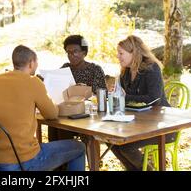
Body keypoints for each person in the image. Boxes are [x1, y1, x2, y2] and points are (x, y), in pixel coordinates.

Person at [0, 45, 86, 171]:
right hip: (24, 161)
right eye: (36, 61)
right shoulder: (33, 82)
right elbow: (52, 114)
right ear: (31, 63)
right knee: (79, 147)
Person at [110, 35, 176, 171]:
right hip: (137, 124)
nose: (118, 56)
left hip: (162, 127)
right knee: (112, 142)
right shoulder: (126, 72)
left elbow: (154, 98)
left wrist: (125, 97)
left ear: (133, 52)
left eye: (121, 53)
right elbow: (122, 97)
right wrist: (114, 94)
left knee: (126, 146)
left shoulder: (152, 69)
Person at [49, 34, 107, 141]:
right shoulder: (66, 68)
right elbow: (56, 88)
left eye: (75, 52)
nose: (71, 55)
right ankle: (59, 154)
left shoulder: (94, 69)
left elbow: (101, 94)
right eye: (68, 52)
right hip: (67, 110)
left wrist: (83, 90)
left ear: (84, 53)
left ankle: (68, 153)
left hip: (86, 114)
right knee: (53, 124)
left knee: (63, 126)